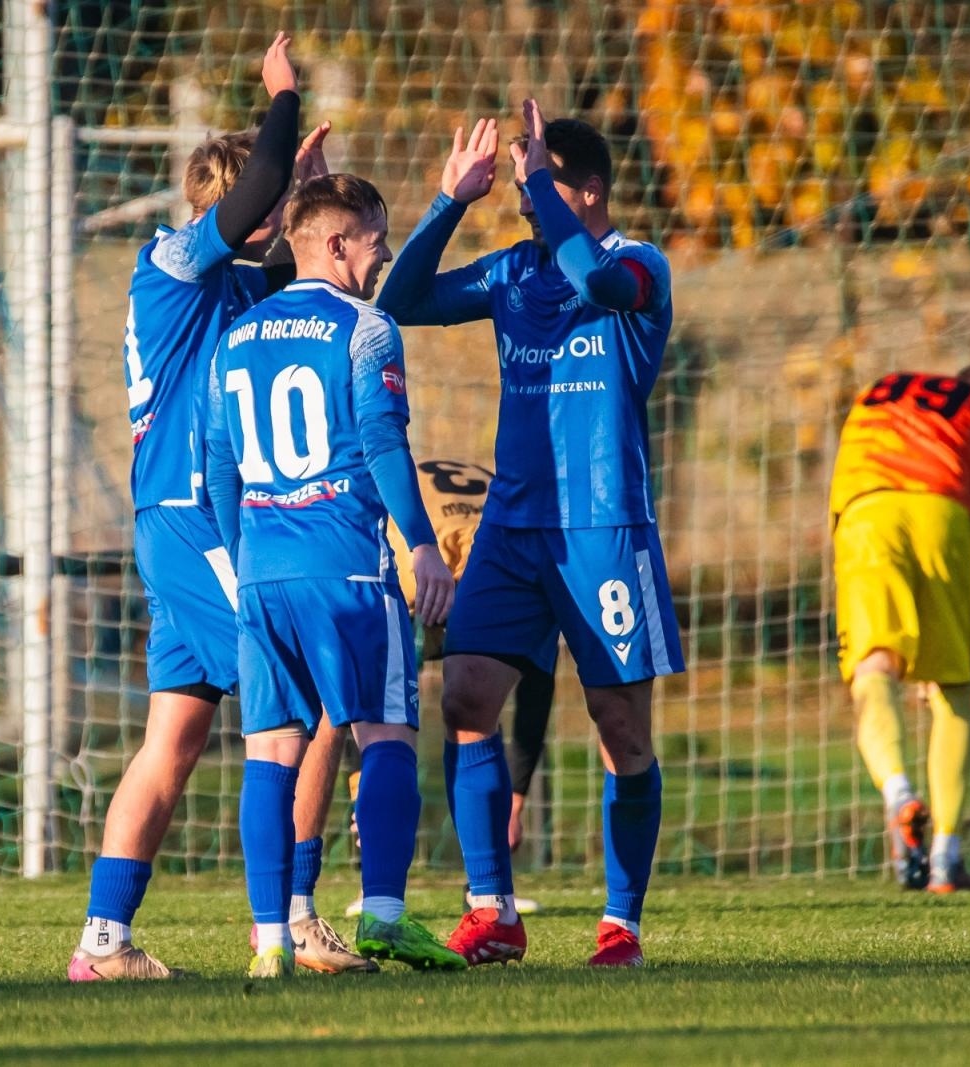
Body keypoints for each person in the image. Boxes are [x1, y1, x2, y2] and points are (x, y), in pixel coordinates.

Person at [69, 35, 369, 981]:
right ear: (241, 203)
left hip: (190, 525)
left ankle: (103, 941)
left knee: (175, 735)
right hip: (197, 524)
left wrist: (309, 192)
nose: (282, 215)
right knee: (315, 705)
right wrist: (283, 103)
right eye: (275, 203)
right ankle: (290, 916)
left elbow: (293, 263)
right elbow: (258, 193)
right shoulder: (173, 263)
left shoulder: (245, 280)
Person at [377, 101, 684, 968]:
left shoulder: (638, 266)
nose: (525, 208)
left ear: (584, 192)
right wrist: (449, 203)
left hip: (603, 531)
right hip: (511, 529)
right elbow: (400, 300)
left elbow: (597, 286)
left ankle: (620, 923)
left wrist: (538, 180)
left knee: (621, 730)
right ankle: (493, 908)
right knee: (466, 699)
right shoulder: (513, 272)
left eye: (538, 194)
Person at [205, 173, 466, 977]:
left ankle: (271, 942)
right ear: (333, 242)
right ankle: (385, 914)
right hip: (347, 566)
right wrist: (421, 543)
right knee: (386, 729)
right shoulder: (367, 329)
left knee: (271, 750)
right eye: (374, 242)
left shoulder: (237, 334)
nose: (382, 257)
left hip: (262, 573)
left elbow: (218, 465)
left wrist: (239, 557)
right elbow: (385, 445)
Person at [829, 365, 970, 893]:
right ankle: (945, 858)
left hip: (864, 513)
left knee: (873, 668)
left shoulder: (879, 386)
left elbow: (842, 480)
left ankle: (898, 794)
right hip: (941, 513)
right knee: (953, 689)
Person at [343, 457, 555, 918]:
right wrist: (364, 796)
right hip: (417, 565)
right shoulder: (406, 568)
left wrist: (516, 800)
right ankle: (372, 876)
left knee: (486, 698)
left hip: (479, 559)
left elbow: (537, 682)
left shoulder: (518, 577)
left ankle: (486, 886)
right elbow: (359, 698)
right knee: (373, 709)